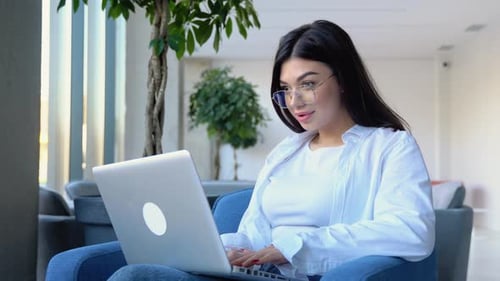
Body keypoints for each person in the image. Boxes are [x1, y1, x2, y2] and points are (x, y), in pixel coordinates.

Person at [108, 19, 435, 281]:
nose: (294, 101)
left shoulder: (389, 146)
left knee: (136, 277)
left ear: (344, 80)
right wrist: (220, 249)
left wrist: (289, 248)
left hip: (306, 274)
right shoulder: (285, 153)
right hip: (255, 273)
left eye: (308, 84)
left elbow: (410, 231)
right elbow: (253, 232)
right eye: (286, 89)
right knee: (138, 274)